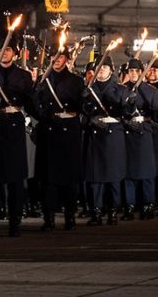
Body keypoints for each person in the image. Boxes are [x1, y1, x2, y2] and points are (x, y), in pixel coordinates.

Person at [0, 35, 35, 236]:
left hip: (14, 126)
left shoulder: (23, 76)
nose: (3, 53)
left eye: (7, 50)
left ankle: (15, 220)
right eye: (0, 50)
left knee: (15, 178)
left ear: (14, 53)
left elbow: (30, 103)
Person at [32, 47, 84, 231]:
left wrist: (83, 99)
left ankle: (70, 216)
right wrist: (41, 106)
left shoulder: (76, 81)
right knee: (48, 178)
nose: (56, 59)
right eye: (54, 56)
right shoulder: (43, 80)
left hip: (68, 133)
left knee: (69, 178)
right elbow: (34, 108)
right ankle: (49, 217)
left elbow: (82, 108)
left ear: (67, 59)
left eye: (60, 56)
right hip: (49, 131)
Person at [81, 56, 127, 226]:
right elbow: (82, 114)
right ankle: (97, 212)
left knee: (113, 177)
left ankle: (112, 212)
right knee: (96, 178)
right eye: (98, 68)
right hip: (95, 137)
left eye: (105, 67)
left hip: (113, 136)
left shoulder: (120, 89)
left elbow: (126, 113)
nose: (101, 70)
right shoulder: (88, 89)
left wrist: (129, 103)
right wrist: (89, 115)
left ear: (111, 70)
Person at [124, 58, 157, 219]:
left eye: (137, 71)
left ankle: (148, 205)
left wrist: (146, 121)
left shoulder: (151, 91)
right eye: (131, 71)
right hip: (128, 135)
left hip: (145, 134)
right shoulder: (122, 89)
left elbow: (156, 114)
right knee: (128, 172)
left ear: (142, 72)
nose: (134, 73)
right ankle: (129, 205)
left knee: (146, 171)